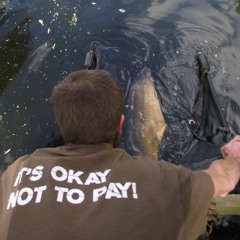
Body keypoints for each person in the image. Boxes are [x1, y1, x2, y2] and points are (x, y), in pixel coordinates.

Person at [0, 69, 240, 240]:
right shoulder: (157, 179)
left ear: (62, 126)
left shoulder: (18, 173)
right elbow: (224, 181)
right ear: (121, 125)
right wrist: (233, 157)